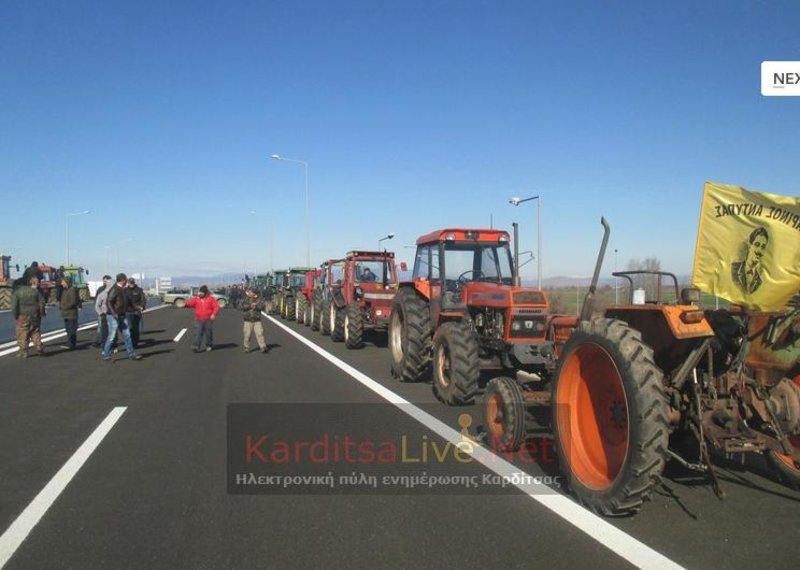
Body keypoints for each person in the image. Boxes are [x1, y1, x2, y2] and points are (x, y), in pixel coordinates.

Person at [103, 273, 143, 361]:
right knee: (112, 335)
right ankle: (106, 354)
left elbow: (129, 302)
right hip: (113, 316)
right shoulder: (114, 289)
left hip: (122, 315)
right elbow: (109, 302)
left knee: (127, 334)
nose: (127, 281)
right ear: (122, 280)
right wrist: (114, 313)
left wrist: (137, 307)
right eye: (126, 280)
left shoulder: (124, 290)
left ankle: (131, 353)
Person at [11, 275, 46, 358]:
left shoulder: (17, 292)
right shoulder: (35, 291)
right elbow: (42, 302)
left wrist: (16, 315)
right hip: (34, 315)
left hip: (22, 316)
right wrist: (41, 312)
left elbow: (14, 306)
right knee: (35, 332)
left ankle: (23, 352)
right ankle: (39, 347)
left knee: (22, 333)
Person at [731, 227, 769, 295]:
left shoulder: (760, 282)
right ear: (749, 246)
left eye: (763, 247)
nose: (759, 251)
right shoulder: (733, 269)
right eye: (757, 245)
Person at [185, 285, 220, 352]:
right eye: (199, 292)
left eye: (201, 292)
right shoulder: (196, 299)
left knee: (208, 333)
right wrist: (185, 304)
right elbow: (190, 304)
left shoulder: (211, 299)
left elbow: (216, 307)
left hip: (208, 319)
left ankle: (209, 345)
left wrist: (213, 314)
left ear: (205, 293)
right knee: (198, 333)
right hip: (198, 319)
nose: (199, 294)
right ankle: (196, 346)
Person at [241, 287, 267, 353]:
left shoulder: (258, 299)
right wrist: (250, 306)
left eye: (251, 292)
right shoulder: (245, 299)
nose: (250, 293)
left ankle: (263, 347)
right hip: (248, 320)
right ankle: (246, 347)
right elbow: (240, 306)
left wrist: (256, 306)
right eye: (249, 292)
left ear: (254, 293)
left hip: (257, 320)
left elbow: (263, 306)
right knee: (247, 335)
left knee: (260, 334)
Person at [59, 274, 81, 350]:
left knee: (71, 329)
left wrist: (64, 307)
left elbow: (73, 301)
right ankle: (70, 343)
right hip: (66, 313)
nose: (61, 283)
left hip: (71, 313)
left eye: (63, 282)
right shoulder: (65, 290)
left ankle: (71, 344)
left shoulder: (72, 290)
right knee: (68, 329)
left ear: (67, 282)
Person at [124, 278, 147, 349]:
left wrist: (142, 306)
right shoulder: (124, 290)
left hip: (136, 311)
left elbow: (143, 299)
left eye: (132, 283)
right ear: (128, 283)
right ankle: (130, 344)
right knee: (129, 328)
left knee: (136, 329)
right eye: (130, 283)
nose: (131, 284)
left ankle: (135, 343)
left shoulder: (139, 290)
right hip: (127, 312)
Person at [94, 275, 113, 347]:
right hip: (102, 312)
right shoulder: (100, 289)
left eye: (106, 281)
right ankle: (100, 341)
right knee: (100, 326)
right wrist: (99, 311)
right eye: (104, 281)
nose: (104, 282)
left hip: (111, 312)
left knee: (111, 328)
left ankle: (110, 343)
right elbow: (96, 300)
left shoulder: (112, 290)